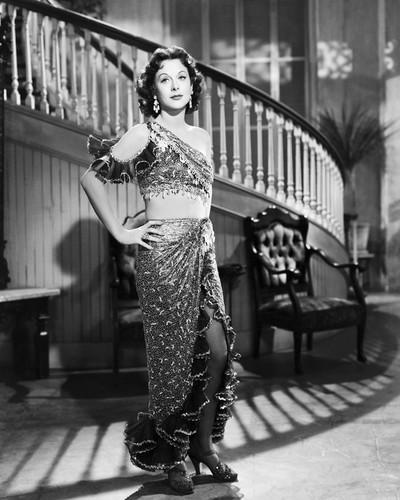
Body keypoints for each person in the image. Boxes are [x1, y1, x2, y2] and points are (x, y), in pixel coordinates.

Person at [81, 46, 239, 494]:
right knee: (172, 359)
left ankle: (202, 446)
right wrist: (122, 232)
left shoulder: (202, 137)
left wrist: (204, 240)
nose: (174, 85)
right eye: (164, 79)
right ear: (153, 90)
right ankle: (173, 456)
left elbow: (201, 200)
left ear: (192, 87)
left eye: (181, 78)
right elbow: (91, 177)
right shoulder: (143, 133)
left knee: (217, 350)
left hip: (201, 251)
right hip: (162, 254)